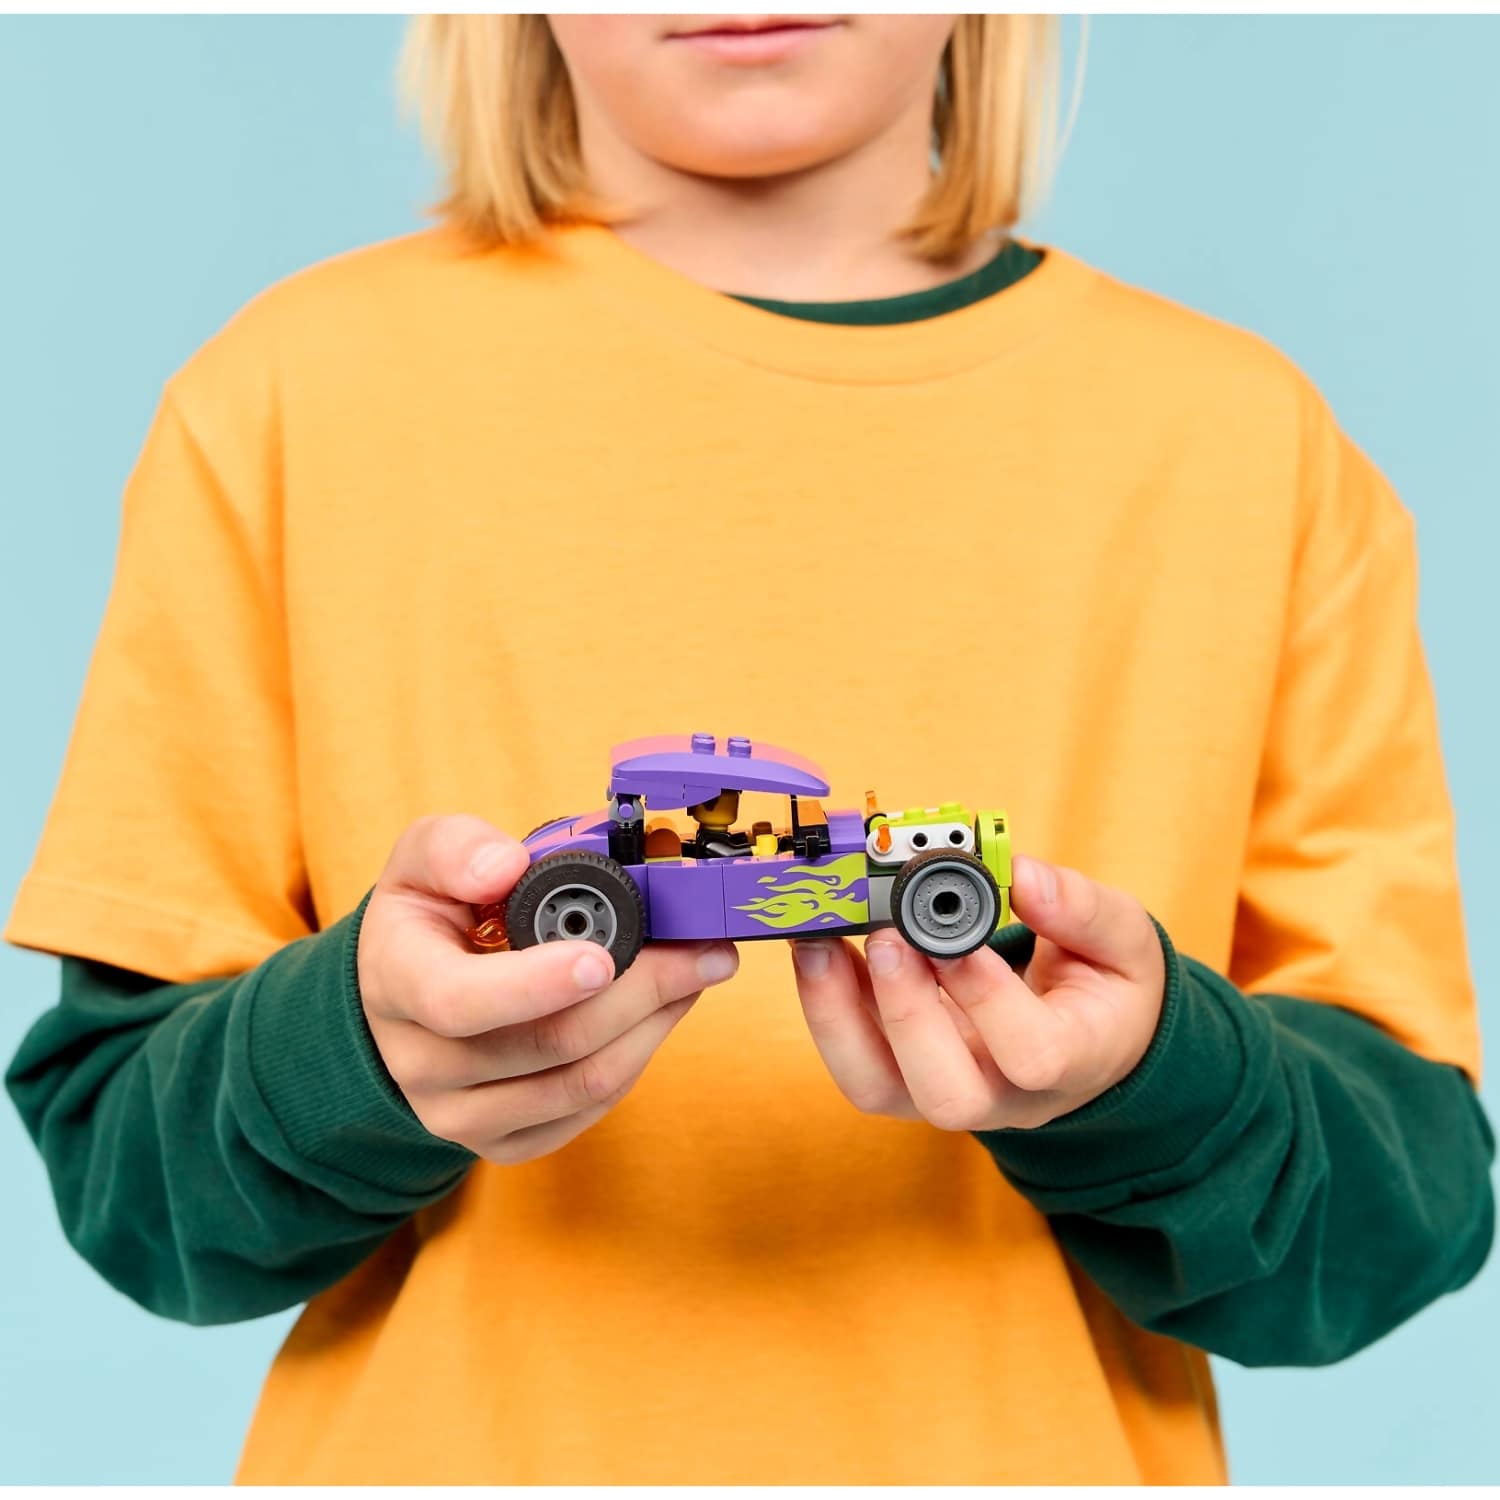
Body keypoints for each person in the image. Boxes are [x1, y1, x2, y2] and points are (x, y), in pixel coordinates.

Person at [4, 14, 1493, 1486]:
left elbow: (1399, 1225)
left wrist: (1152, 1083)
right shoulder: (292, 395)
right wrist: (356, 1059)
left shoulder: (1246, 445)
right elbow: (132, 1188)